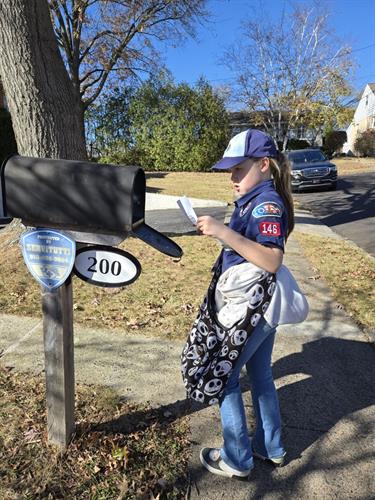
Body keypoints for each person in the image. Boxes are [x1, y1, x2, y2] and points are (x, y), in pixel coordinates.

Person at [196, 128, 295, 478]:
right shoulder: (257, 199)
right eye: (230, 171)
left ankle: (237, 459)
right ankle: (272, 447)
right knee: (261, 373)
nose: (232, 178)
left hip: (254, 310)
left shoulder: (266, 204)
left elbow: (271, 259)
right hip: (262, 307)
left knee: (225, 377)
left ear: (264, 164)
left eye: (239, 169)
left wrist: (224, 232)